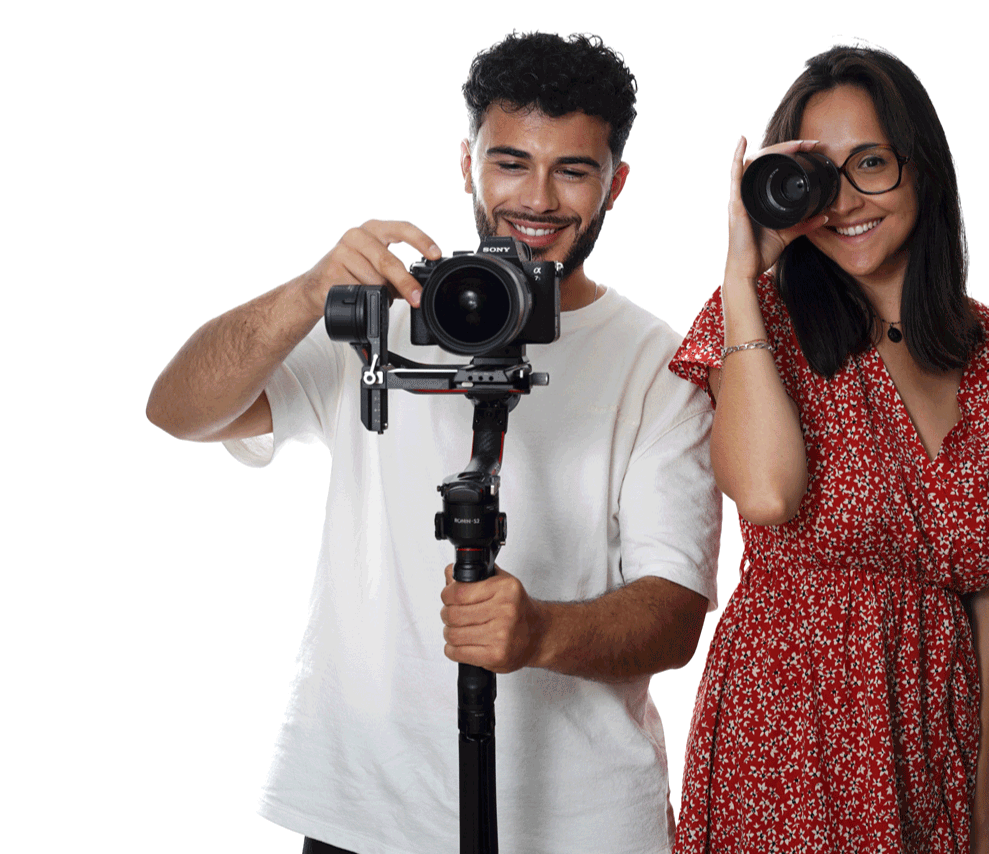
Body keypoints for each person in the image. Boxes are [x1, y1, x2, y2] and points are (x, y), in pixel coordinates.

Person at [147, 32, 719, 854]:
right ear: (467, 162)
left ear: (615, 182)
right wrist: (312, 291)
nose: (537, 198)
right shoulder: (387, 313)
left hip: (578, 823)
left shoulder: (656, 362)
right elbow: (179, 410)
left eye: (573, 169)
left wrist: (540, 634)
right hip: (366, 806)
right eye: (511, 162)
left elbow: (672, 616)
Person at [668, 45, 989, 854]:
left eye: (870, 163)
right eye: (818, 175)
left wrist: (981, 804)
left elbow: (987, 584)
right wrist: (739, 273)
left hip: (931, 742)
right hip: (788, 735)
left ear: (921, 168)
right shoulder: (759, 323)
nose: (845, 202)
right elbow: (764, 496)